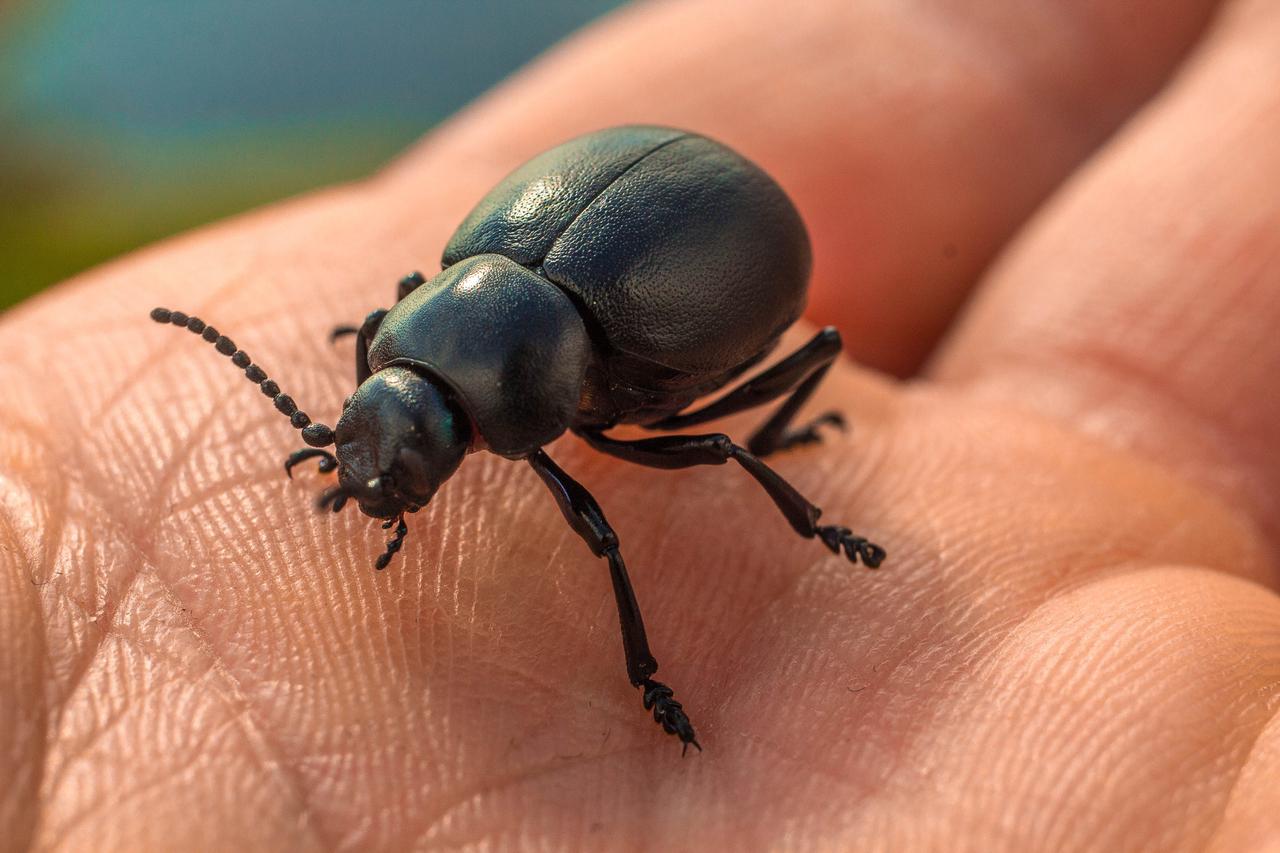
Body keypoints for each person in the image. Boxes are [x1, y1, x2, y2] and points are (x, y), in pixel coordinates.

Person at [2, 0, 1277, 848]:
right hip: (577, 252)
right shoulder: (438, 313)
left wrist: (782, 529)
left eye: (404, 439)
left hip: (687, 255)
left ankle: (743, 574)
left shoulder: (552, 378)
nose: (384, 473)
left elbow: (731, 387)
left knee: (723, 441)